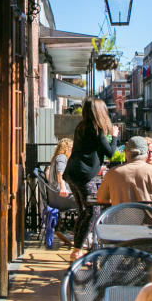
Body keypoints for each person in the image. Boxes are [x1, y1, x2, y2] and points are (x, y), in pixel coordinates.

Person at [63, 98, 116, 259]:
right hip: (84, 176)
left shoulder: (81, 127)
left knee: (83, 212)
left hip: (72, 173)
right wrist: (114, 136)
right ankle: (79, 250)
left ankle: (78, 247)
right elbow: (111, 153)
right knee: (93, 211)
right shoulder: (97, 130)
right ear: (99, 112)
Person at [96, 136, 152, 207]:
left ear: (125, 153)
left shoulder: (112, 173)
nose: (151, 155)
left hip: (121, 222)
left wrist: (119, 202)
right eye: (150, 152)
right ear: (146, 153)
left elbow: (100, 199)